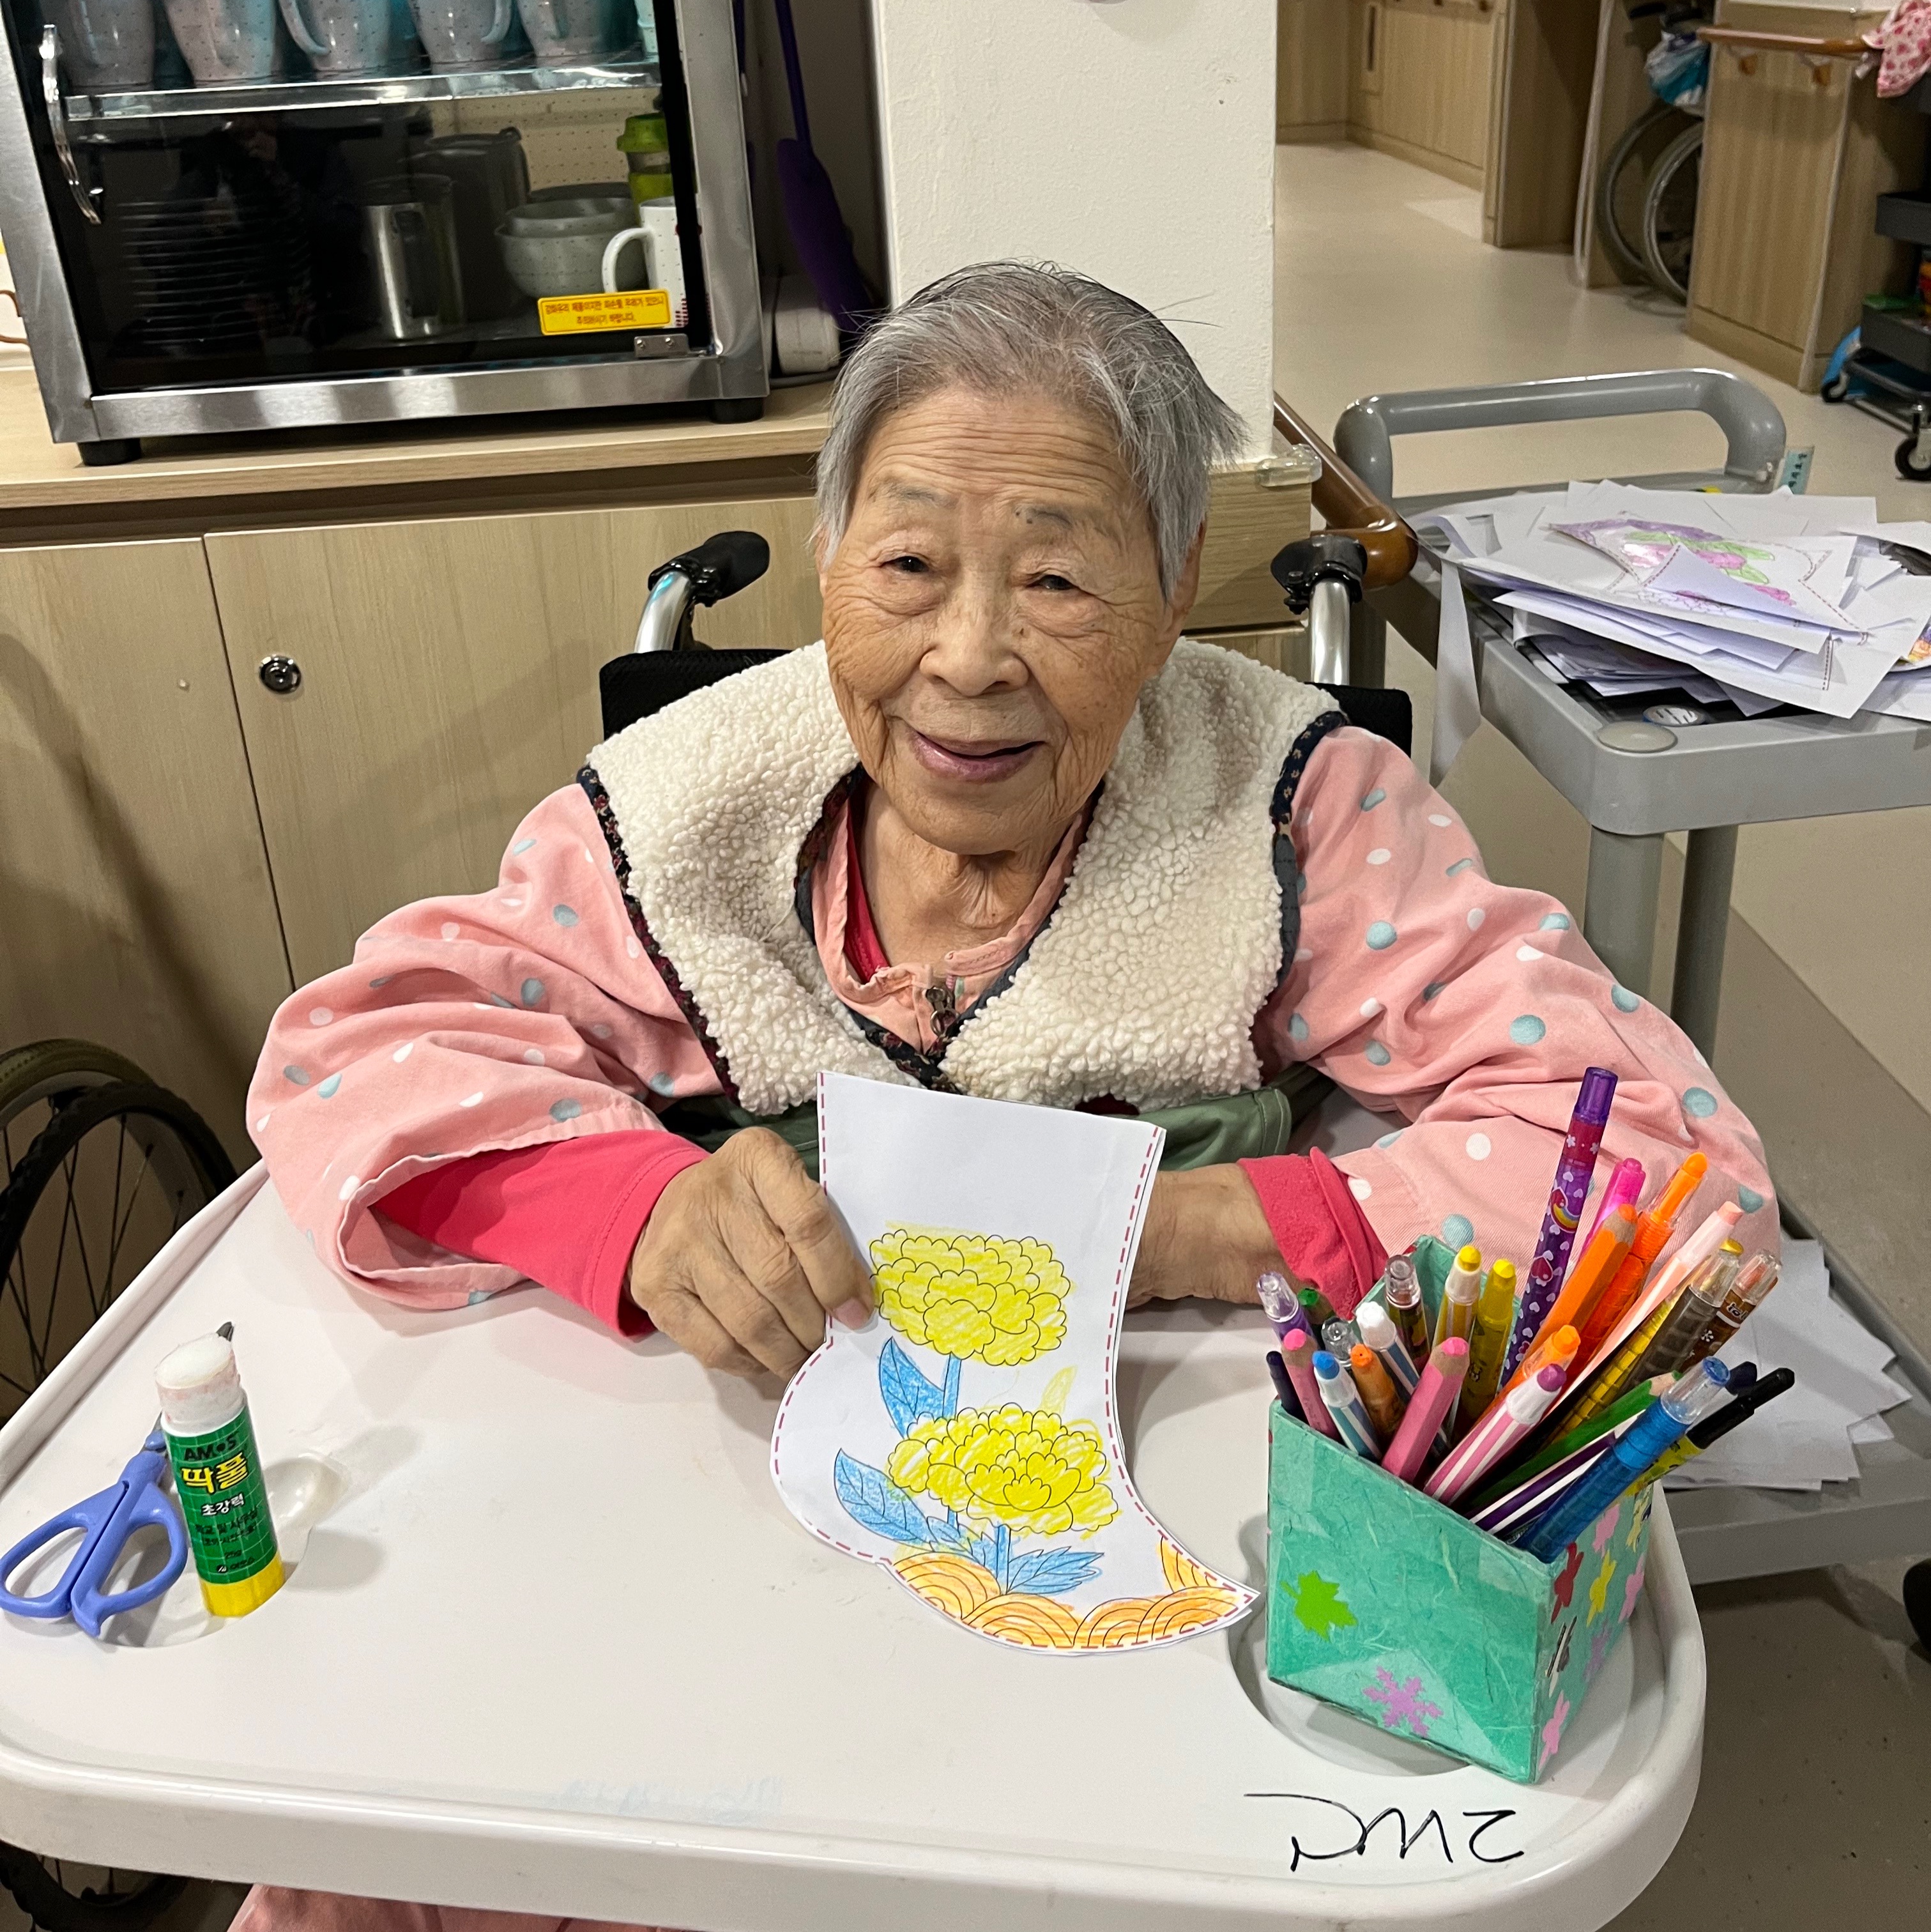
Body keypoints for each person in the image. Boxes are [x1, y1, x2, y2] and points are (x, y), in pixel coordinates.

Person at [240, 259, 1773, 1932]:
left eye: (1057, 580)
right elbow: (360, 1054)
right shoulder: (680, 810)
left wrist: (1186, 1230)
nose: (968, 661)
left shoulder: (1294, 814)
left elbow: (1665, 1163)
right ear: (829, 555)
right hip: (720, 1579)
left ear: (1176, 587)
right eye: (906, 566)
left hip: (1119, 1604)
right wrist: (644, 1208)